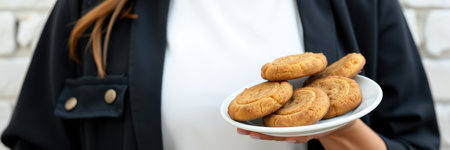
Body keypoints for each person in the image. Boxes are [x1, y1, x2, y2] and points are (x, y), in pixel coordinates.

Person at [1, 0, 440, 149]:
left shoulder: (360, 5)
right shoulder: (95, 8)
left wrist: (340, 131)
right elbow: (36, 140)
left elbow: (416, 141)